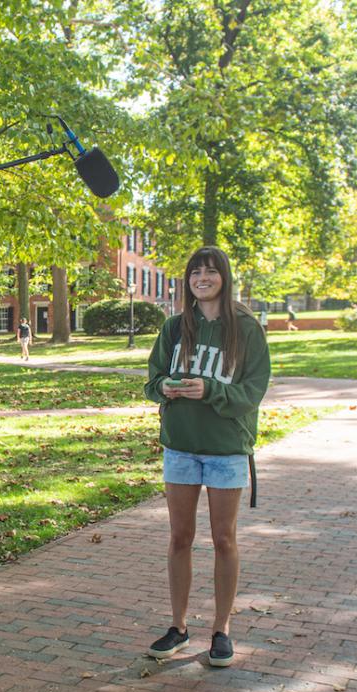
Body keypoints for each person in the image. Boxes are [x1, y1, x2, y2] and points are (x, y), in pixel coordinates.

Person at [143, 246, 271, 669]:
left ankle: (221, 630)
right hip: (180, 447)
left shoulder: (246, 330)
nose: (202, 277)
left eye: (210, 271)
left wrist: (210, 390)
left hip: (226, 451)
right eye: (195, 271)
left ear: (224, 278)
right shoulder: (175, 327)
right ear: (188, 280)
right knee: (179, 537)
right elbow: (152, 380)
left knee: (224, 539)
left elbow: (252, 393)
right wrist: (164, 388)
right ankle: (178, 626)